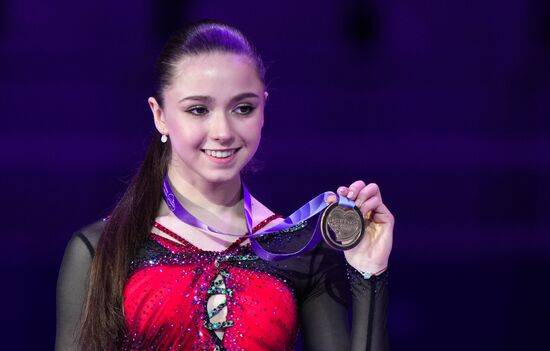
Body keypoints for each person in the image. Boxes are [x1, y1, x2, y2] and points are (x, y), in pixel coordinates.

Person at [56, 21, 394, 351]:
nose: (223, 131)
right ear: (160, 115)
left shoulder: (299, 250)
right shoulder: (100, 250)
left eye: (242, 108)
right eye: (199, 109)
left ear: (263, 110)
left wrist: (369, 274)